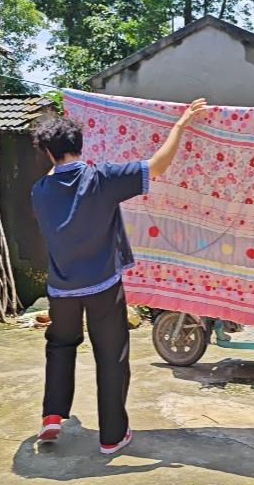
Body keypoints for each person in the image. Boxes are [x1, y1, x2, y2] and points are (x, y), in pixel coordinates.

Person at [31, 98, 209, 455]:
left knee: (60, 345)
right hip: (102, 286)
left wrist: (53, 149)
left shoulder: (40, 191)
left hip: (61, 290)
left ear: (48, 154)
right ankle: (112, 437)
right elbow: (157, 166)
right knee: (111, 355)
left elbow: (55, 174)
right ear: (80, 146)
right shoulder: (101, 179)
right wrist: (181, 124)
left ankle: (52, 415)